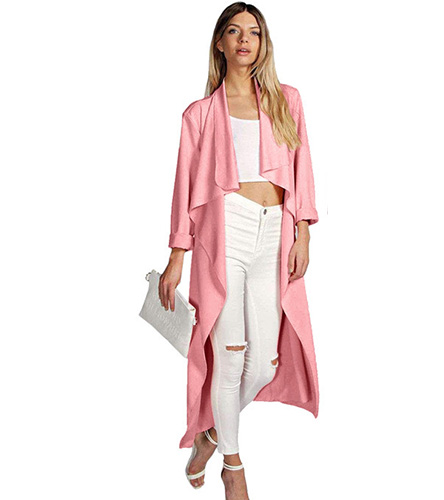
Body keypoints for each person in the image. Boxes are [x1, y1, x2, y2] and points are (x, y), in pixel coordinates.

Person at [159, 3, 319, 499]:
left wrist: (303, 231)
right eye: (234, 31)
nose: (245, 39)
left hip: (276, 232)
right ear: (221, 43)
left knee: (264, 363)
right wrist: (177, 255)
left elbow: (303, 168)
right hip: (225, 231)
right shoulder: (200, 114)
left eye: (253, 32)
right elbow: (185, 185)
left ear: (262, 43)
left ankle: (209, 436)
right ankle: (233, 465)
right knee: (229, 359)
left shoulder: (287, 101)